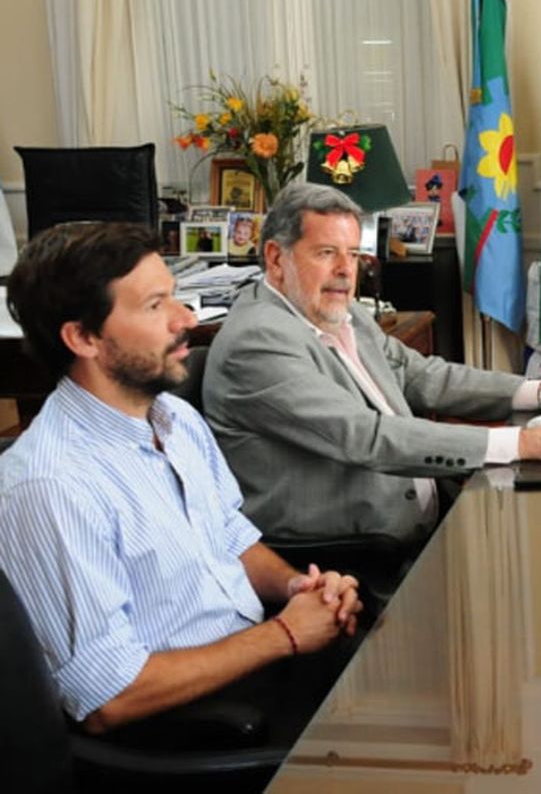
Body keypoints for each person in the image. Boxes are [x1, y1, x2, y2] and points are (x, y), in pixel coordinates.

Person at [0, 222, 361, 732]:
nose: (185, 318)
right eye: (155, 306)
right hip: (196, 726)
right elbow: (110, 696)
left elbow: (231, 538)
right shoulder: (51, 487)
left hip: (263, 663)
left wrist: (301, 587)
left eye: (176, 297)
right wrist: (285, 634)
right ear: (82, 337)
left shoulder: (174, 418)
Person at [203, 184, 541, 551]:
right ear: (276, 258)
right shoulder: (256, 341)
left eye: (353, 254)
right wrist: (522, 444)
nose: (347, 271)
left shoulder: (340, 311)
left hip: (421, 518)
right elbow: (365, 436)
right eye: (327, 253)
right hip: (348, 552)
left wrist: (540, 393)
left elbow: (421, 375)